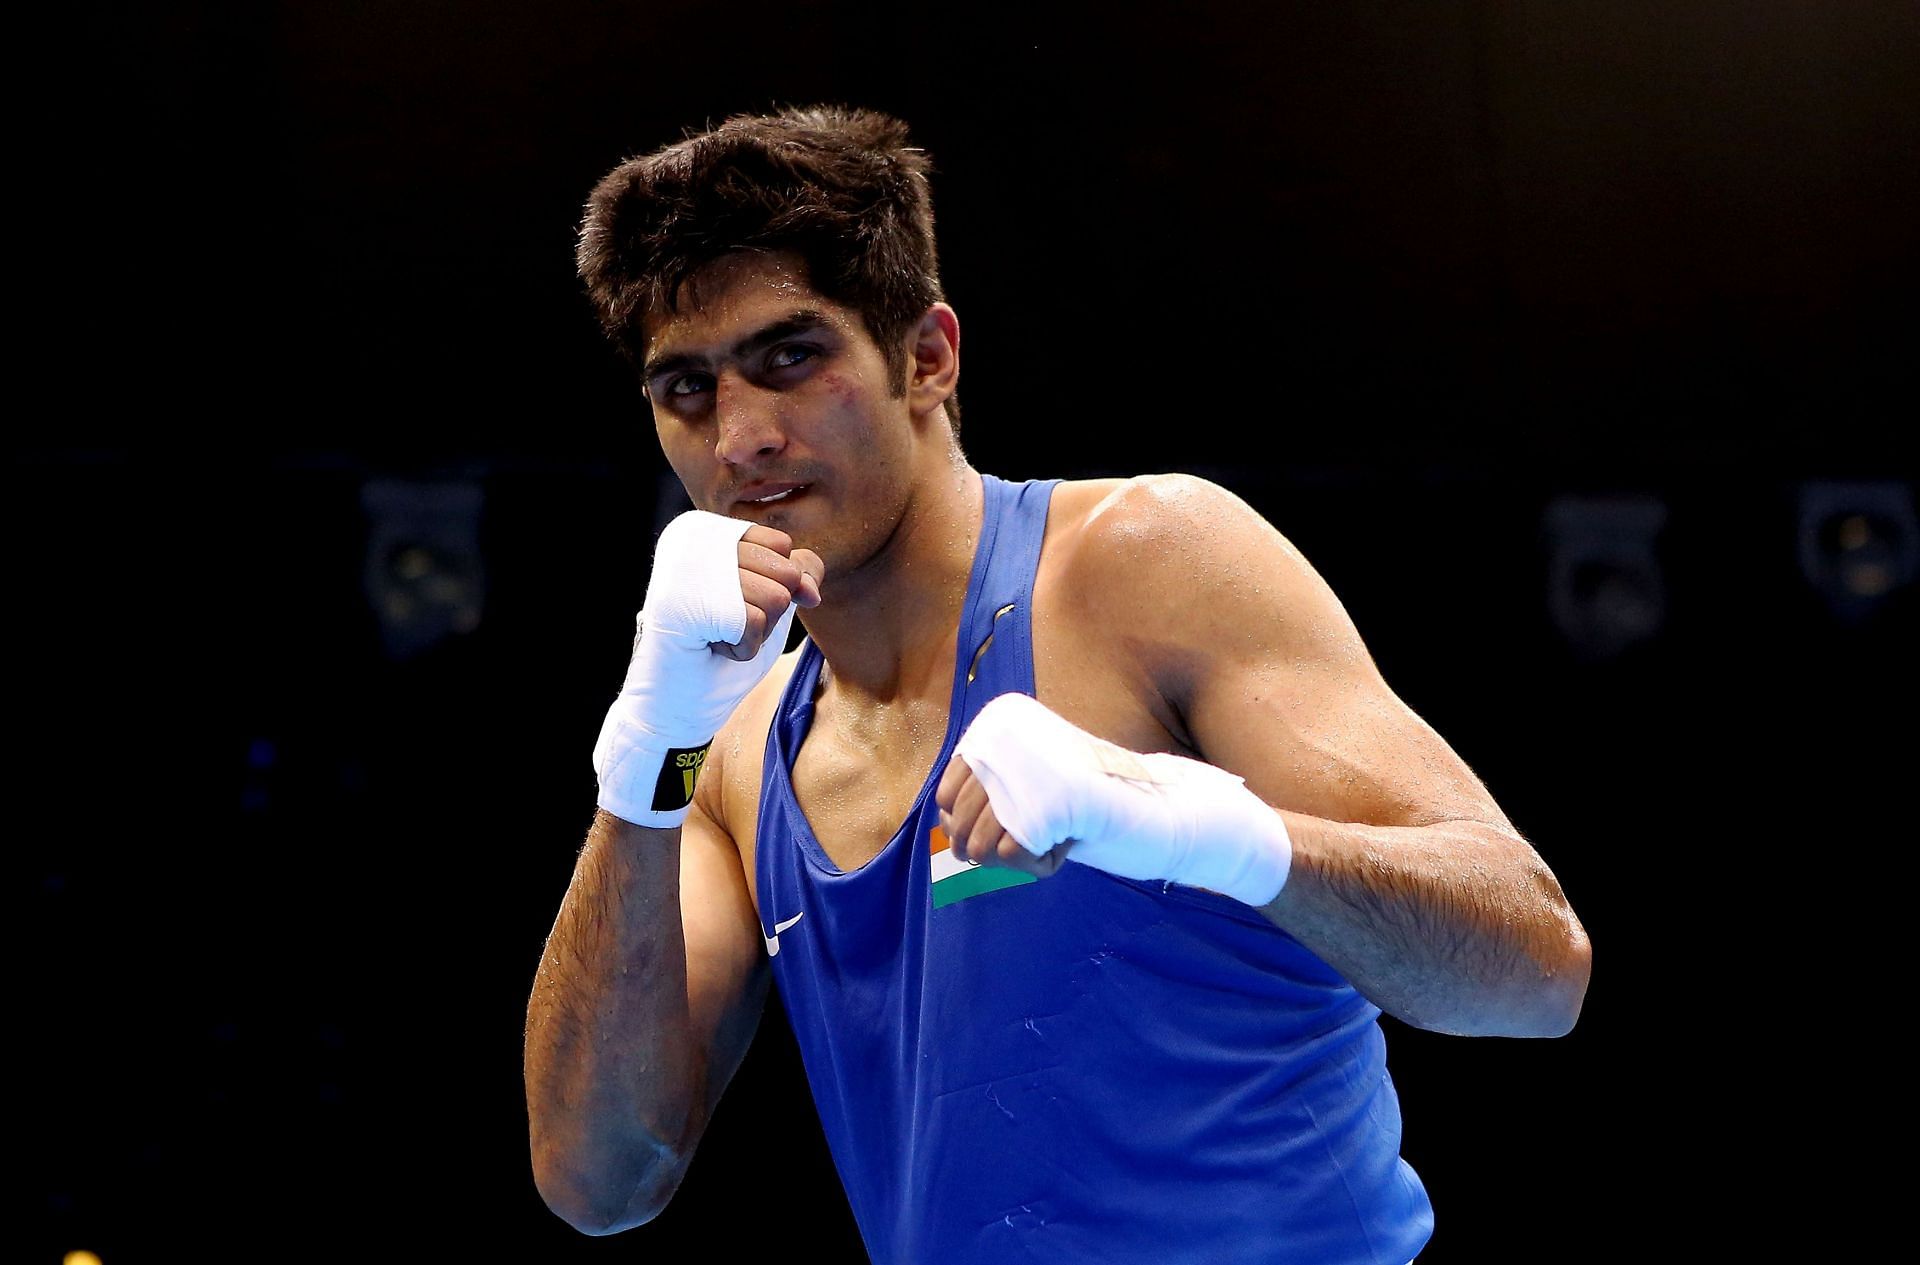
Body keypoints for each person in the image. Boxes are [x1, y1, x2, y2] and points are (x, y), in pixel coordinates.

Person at [522, 103, 1592, 1265]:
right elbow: (600, 1175)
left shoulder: (1147, 563)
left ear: (926, 356)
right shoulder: (727, 752)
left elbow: (1536, 970)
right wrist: (645, 758)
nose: (739, 438)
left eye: (792, 356)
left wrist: (1212, 829)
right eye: (687, 388)